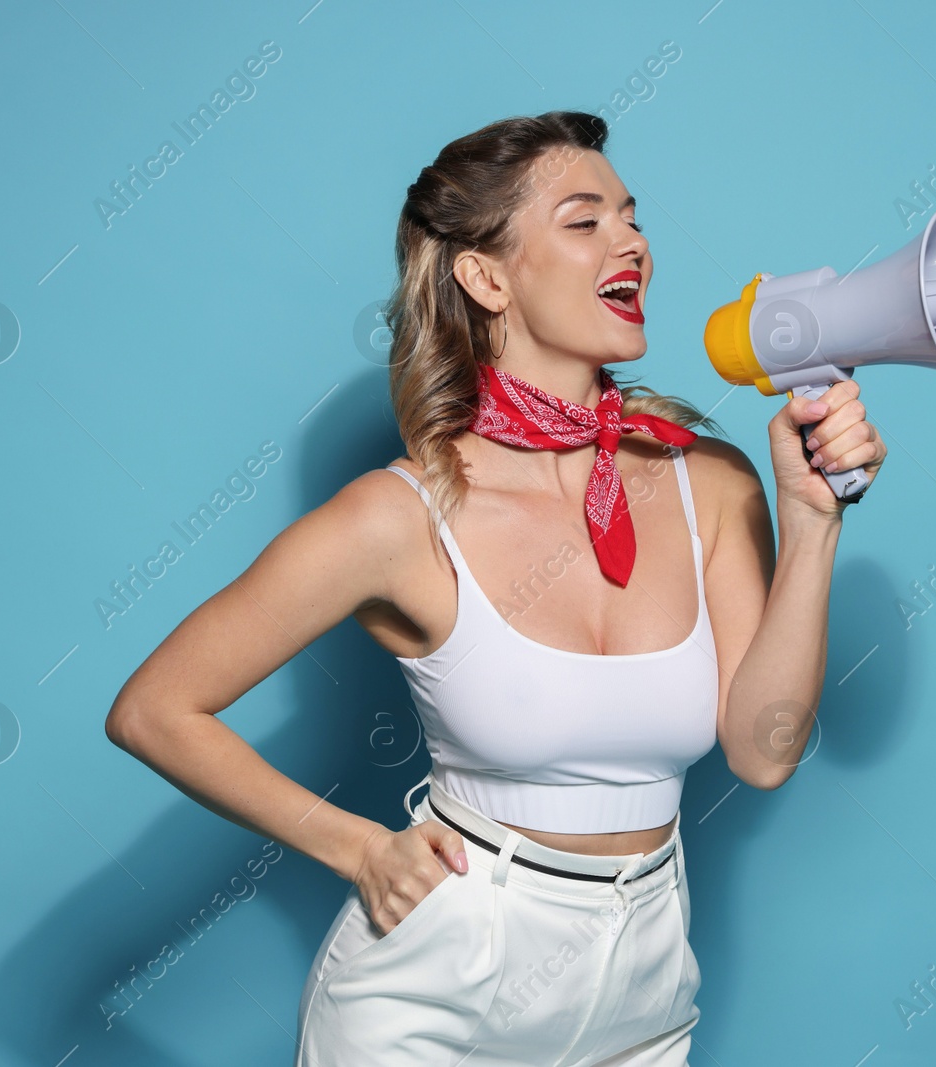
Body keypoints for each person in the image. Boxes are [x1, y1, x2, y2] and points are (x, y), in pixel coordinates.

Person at [104, 109, 885, 1066]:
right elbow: (154, 709)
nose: (631, 240)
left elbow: (764, 754)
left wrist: (812, 524)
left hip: (642, 991)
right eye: (584, 219)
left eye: (632, 217)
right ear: (485, 276)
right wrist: (358, 847)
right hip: (437, 996)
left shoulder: (712, 483)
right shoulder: (400, 517)